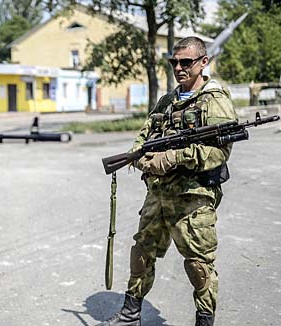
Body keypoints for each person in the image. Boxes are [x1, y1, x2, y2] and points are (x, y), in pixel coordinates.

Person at [101, 36, 237, 326]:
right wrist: (141, 158)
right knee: (142, 253)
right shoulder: (167, 100)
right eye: (174, 62)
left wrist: (173, 158)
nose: (179, 67)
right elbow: (143, 136)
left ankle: (204, 321)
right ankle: (130, 314)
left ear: (203, 62)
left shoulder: (214, 100)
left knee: (199, 265)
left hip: (193, 198)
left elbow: (219, 151)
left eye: (186, 62)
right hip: (158, 194)